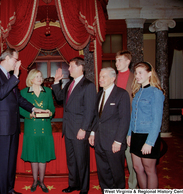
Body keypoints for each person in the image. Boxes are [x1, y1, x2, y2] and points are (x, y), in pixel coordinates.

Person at [0, 48, 48, 194]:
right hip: (1, 128)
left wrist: (34, 109)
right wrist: (15, 76)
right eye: (16, 60)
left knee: (10, 163)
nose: (18, 63)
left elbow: (18, 99)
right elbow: (0, 93)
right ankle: (1, 191)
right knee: (2, 164)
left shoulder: (8, 76)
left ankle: (9, 189)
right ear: (7, 58)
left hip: (12, 127)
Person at [52, 57, 96, 194]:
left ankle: (84, 188)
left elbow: (90, 110)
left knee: (82, 161)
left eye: (71, 66)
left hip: (79, 130)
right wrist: (56, 81)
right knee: (71, 160)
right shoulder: (69, 84)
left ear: (80, 67)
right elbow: (59, 97)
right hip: (68, 129)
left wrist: (84, 129)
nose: (69, 69)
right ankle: (73, 184)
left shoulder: (88, 85)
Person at [89, 67, 130, 190]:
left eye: (103, 77)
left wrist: (118, 141)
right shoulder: (99, 94)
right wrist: (92, 132)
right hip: (99, 141)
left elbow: (124, 120)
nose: (100, 79)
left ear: (113, 79)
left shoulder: (122, 94)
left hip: (114, 143)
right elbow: (96, 117)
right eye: (100, 76)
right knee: (103, 173)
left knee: (117, 174)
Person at [127, 61, 165, 189]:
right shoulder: (137, 93)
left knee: (150, 170)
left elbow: (157, 121)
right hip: (136, 135)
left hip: (148, 136)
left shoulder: (156, 92)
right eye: (136, 73)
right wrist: (129, 134)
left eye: (140, 73)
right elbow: (133, 117)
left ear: (149, 74)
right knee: (137, 168)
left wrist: (150, 142)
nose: (137, 75)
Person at [19, 69, 56, 193]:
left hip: (45, 128)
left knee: (43, 157)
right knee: (33, 156)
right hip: (31, 128)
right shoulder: (24, 92)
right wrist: (31, 115)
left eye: (41, 76)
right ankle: (35, 181)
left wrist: (50, 113)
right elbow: (20, 109)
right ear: (31, 79)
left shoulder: (48, 92)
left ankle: (42, 181)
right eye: (37, 76)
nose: (40, 78)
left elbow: (52, 108)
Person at [115, 50, 137, 189]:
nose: (116, 63)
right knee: (116, 159)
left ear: (128, 62)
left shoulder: (135, 79)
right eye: (116, 60)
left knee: (131, 160)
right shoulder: (113, 78)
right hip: (114, 126)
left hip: (130, 125)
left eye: (119, 60)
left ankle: (133, 186)